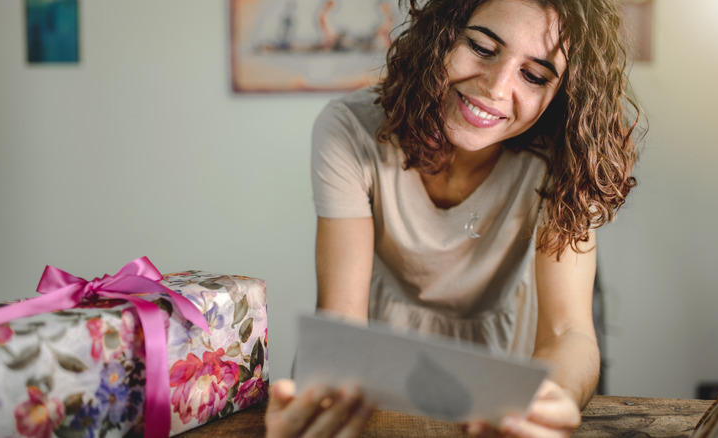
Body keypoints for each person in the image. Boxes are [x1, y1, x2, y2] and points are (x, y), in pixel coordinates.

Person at [266, 0, 640, 436]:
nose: (496, 88)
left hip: (505, 387)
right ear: (440, 36)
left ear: (562, 93)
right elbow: (341, 320)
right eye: (482, 48)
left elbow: (568, 331)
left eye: (535, 76)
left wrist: (544, 404)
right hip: (378, 385)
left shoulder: (563, 157)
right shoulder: (350, 130)